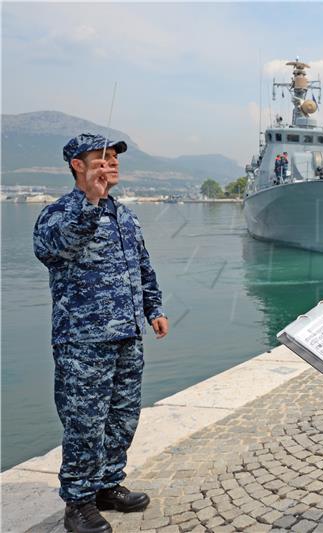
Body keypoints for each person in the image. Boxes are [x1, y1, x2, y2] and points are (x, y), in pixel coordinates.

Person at [33, 134, 169, 533]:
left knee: (123, 418)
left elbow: (142, 265)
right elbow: (54, 249)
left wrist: (153, 308)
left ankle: (108, 484)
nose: (111, 165)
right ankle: (77, 502)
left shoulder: (124, 214)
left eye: (114, 159)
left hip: (127, 336)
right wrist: (90, 202)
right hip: (82, 341)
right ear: (78, 165)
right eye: (101, 158)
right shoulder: (57, 214)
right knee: (84, 423)